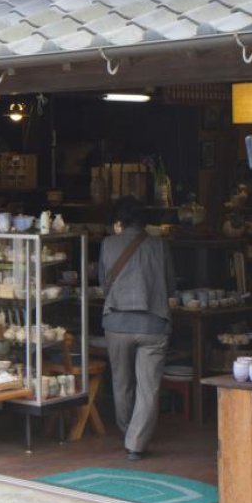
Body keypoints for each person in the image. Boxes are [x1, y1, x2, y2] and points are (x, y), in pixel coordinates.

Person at [98, 195, 175, 460]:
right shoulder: (159, 245)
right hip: (153, 324)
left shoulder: (108, 244)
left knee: (121, 384)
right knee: (149, 387)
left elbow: (101, 282)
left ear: (119, 222)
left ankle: (127, 432)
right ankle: (136, 442)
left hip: (117, 324)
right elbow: (170, 285)